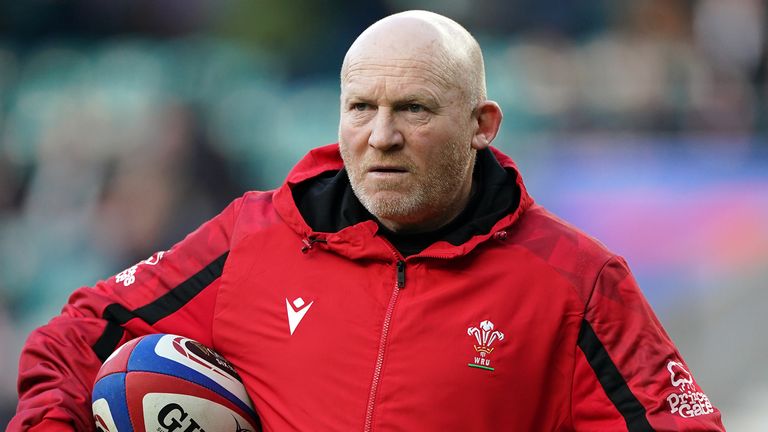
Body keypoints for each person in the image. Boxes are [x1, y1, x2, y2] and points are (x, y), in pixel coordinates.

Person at [10, 10, 724, 431]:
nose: (381, 135)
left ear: (483, 125)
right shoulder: (253, 237)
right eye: (361, 108)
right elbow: (74, 337)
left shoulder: (577, 282)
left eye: (413, 109)